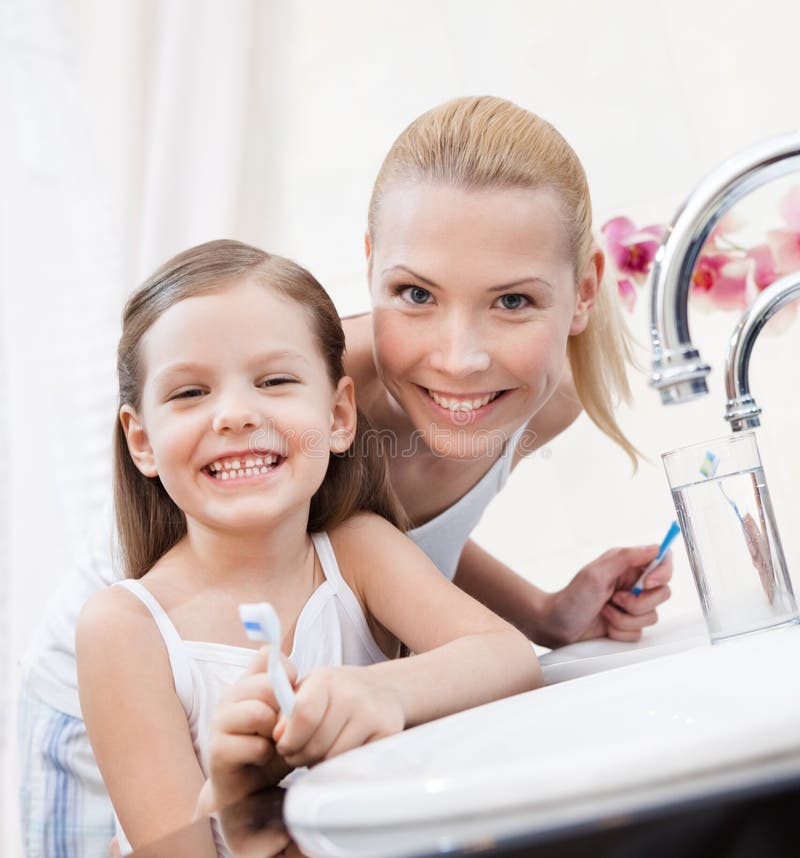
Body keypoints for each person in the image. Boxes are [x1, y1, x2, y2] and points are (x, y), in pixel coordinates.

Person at [18, 95, 672, 857]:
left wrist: (543, 615)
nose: (459, 358)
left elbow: (412, 542)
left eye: (514, 300)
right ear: (369, 268)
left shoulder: (520, 417)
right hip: (117, 718)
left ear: (584, 289)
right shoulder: (288, 402)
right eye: (417, 294)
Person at [74, 239, 542, 856]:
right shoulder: (124, 630)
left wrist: (385, 692)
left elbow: (510, 658)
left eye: (275, 380)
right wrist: (243, 812)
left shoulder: (359, 552)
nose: (235, 415)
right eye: (189, 393)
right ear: (142, 443)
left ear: (339, 415)